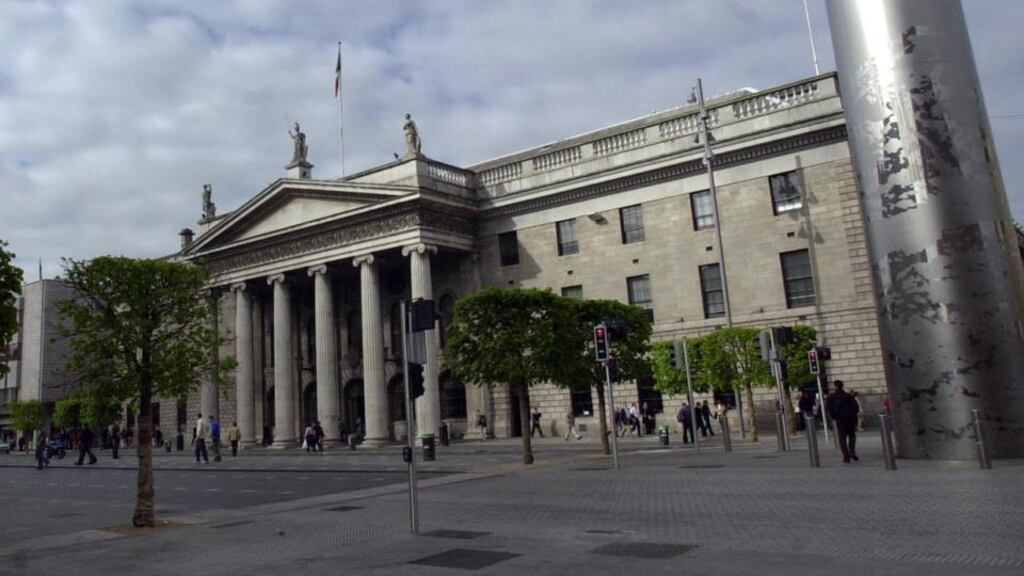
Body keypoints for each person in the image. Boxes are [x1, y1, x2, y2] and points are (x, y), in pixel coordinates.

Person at [826, 380, 860, 463]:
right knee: (852, 436)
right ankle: (852, 450)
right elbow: (856, 408)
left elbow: (828, 408)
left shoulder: (832, 396)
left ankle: (846, 456)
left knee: (842, 438)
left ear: (835, 386)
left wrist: (834, 417)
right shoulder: (848, 396)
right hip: (849, 419)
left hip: (840, 420)